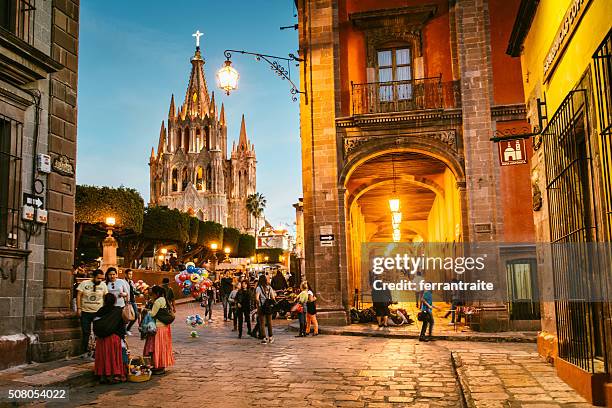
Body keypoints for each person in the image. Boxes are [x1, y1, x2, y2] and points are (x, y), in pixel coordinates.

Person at [92, 293, 126, 384]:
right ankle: (112, 375)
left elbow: (96, 324)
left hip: (101, 339)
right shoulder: (118, 310)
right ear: (115, 300)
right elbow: (122, 324)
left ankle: (103, 376)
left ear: (104, 301)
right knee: (111, 357)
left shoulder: (100, 310)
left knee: (104, 357)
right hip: (113, 338)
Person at [143, 285, 175, 374]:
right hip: (164, 327)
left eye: (152, 293)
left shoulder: (157, 301)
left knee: (158, 347)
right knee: (163, 347)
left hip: (159, 327)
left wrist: (145, 310)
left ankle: (158, 366)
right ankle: (161, 365)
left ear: (156, 293)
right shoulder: (163, 299)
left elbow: (152, 314)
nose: (151, 295)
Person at [76, 269, 107, 355]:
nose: (100, 280)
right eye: (98, 278)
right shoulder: (84, 284)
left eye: (102, 278)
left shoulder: (103, 285)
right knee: (86, 332)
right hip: (85, 312)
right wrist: (79, 308)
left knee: (98, 332)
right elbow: (79, 295)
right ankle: (84, 350)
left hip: (98, 312)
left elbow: (105, 298)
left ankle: (97, 350)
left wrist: (105, 311)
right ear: (93, 276)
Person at [255, 274, 276, 344]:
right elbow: (273, 297)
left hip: (261, 307)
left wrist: (258, 305)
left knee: (262, 323)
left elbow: (257, 298)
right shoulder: (269, 288)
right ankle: (270, 337)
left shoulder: (258, 288)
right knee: (269, 322)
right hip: (268, 307)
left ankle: (264, 338)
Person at [124, 269, 140, 335]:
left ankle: (128, 329)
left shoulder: (132, 282)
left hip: (133, 301)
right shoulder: (123, 282)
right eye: (129, 274)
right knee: (125, 316)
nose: (130, 275)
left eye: (131, 274)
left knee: (136, 315)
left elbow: (134, 291)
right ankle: (124, 331)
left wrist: (138, 293)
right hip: (126, 301)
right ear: (125, 274)